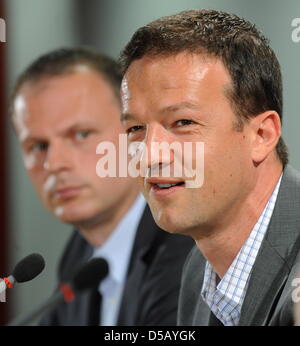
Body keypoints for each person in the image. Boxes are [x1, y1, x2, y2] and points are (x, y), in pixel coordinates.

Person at [119, 9, 300, 325]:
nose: (149, 156)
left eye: (183, 122)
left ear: (262, 135)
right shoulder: (198, 268)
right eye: (135, 129)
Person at [10, 48, 194, 326]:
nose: (54, 164)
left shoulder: (187, 247)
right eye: (38, 146)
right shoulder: (80, 254)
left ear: (134, 132)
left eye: (81, 134)